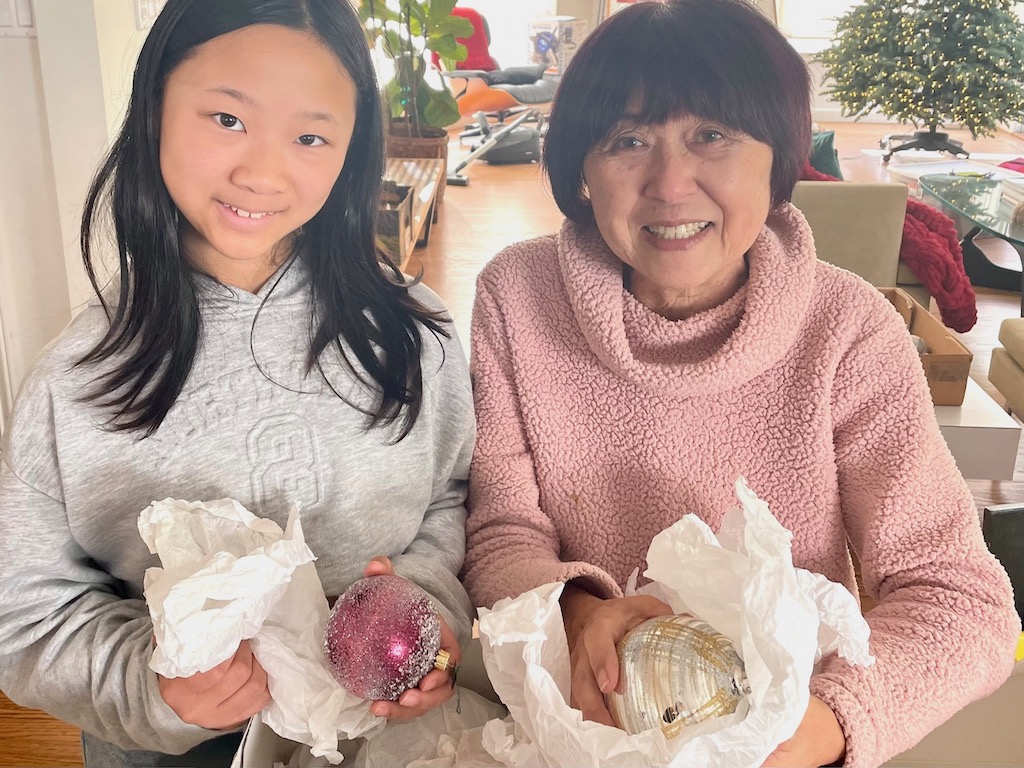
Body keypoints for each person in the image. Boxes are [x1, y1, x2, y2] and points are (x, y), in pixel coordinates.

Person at [461, 1, 1021, 766]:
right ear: (581, 171)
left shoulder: (847, 329)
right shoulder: (516, 299)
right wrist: (572, 608)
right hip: (575, 725)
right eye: (627, 141)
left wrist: (819, 726)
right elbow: (501, 533)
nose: (670, 184)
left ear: (778, 156)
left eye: (711, 136)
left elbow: (960, 600)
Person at [0, 0, 476, 765]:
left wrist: (425, 601)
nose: (262, 171)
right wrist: (152, 687)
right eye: (226, 119)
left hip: (393, 741)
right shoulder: (77, 381)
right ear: (155, 106)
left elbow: (450, 499)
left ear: (352, 153)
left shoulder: (415, 335)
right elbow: (27, 616)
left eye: (311, 136)